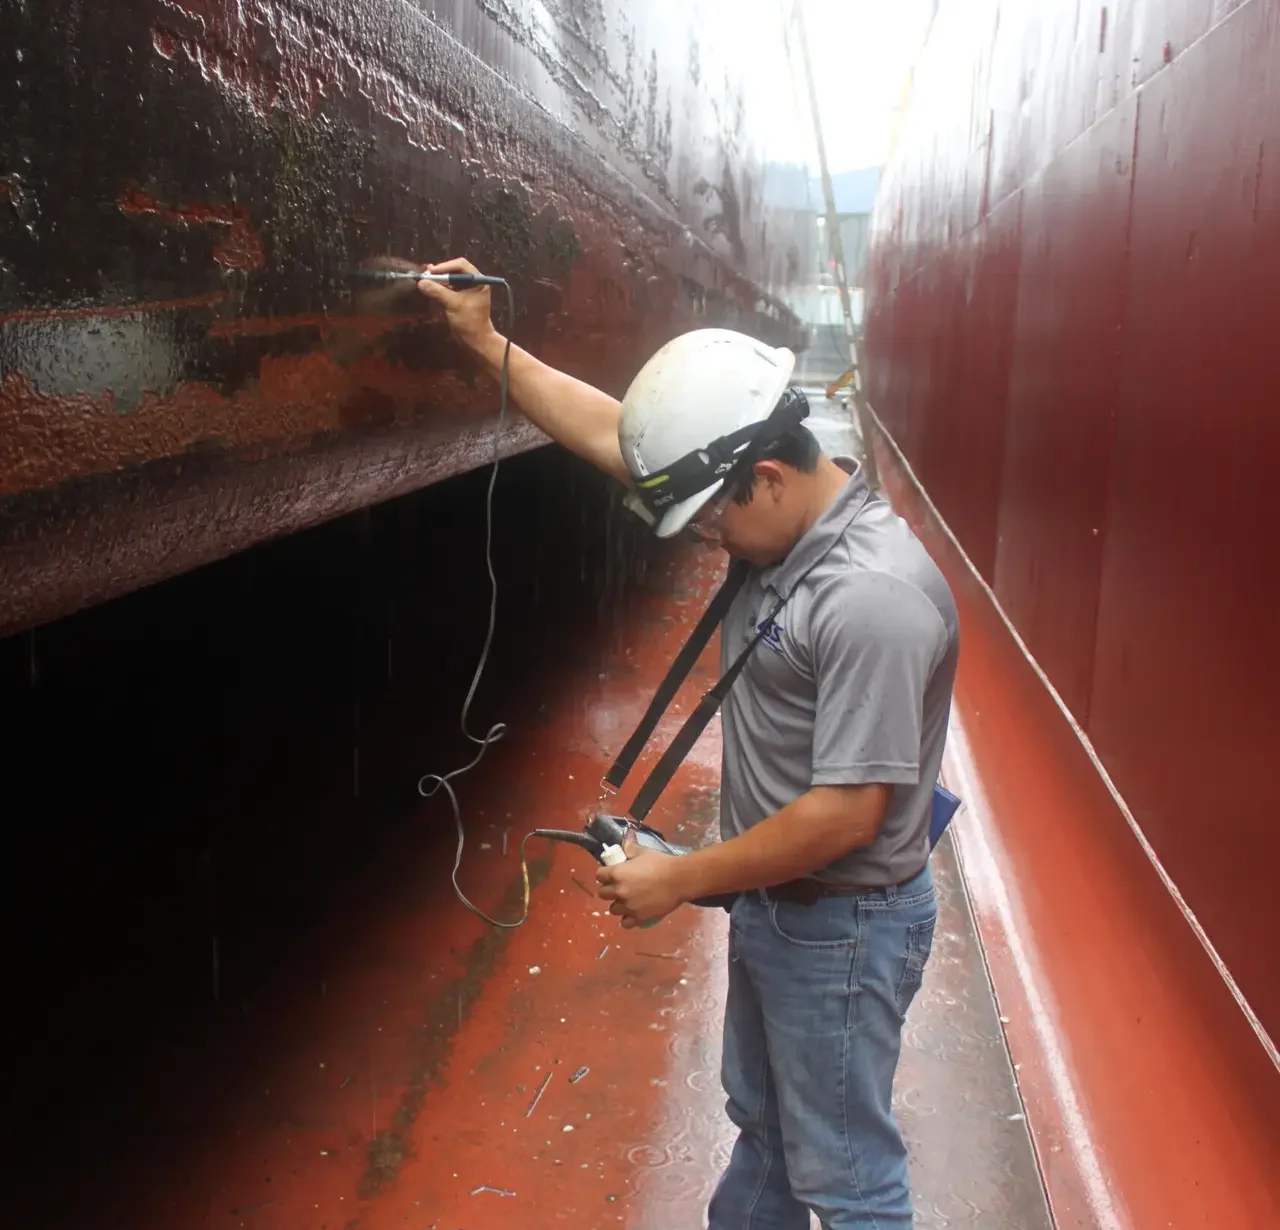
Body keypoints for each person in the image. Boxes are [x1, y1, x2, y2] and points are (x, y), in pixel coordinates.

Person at [418, 258, 959, 1229]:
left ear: (763, 473)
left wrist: (684, 877)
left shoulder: (868, 596)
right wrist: (482, 342)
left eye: (710, 517)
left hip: (841, 927)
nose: (705, 537)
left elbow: (846, 814)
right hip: (786, 910)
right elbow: (605, 432)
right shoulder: (773, 512)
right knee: (763, 1126)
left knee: (846, 1180)